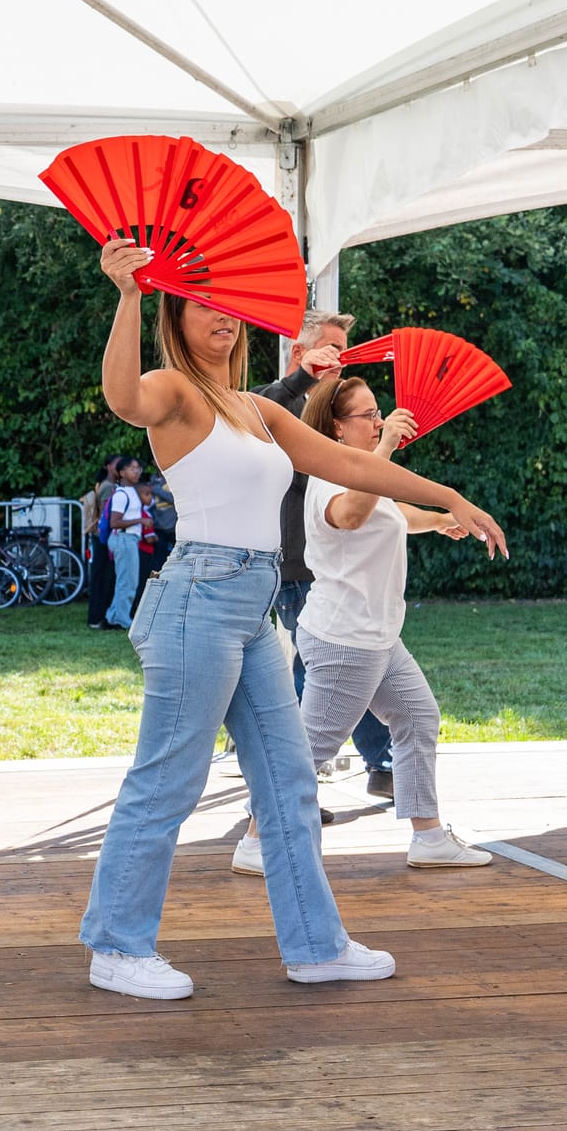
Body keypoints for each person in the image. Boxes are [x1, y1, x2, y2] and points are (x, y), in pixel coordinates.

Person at [78, 238, 506, 1001]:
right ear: (176, 312)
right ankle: (116, 944)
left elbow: (351, 465)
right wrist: (126, 294)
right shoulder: (174, 390)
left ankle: (316, 944)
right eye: (202, 302)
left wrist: (448, 497)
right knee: (167, 779)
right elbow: (121, 398)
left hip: (253, 605)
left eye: (228, 306)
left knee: (290, 782)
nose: (222, 317)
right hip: (197, 601)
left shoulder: (257, 410)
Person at [232, 377, 492, 874]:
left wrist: (437, 520)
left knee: (418, 718)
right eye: (368, 416)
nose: (378, 422)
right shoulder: (329, 477)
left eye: (379, 414)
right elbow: (352, 514)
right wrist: (389, 444)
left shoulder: (367, 475)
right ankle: (255, 838)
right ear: (336, 426)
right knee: (310, 748)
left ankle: (429, 836)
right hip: (345, 638)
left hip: (376, 634)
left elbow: (391, 510)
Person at [253, 309, 396, 802]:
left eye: (345, 350)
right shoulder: (283, 402)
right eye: (334, 350)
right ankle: (287, 794)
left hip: (333, 568)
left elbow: (367, 490)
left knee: (357, 668)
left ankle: (379, 764)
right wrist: (300, 378)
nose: (343, 360)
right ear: (301, 352)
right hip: (297, 567)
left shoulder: (336, 411)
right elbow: (255, 414)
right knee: (318, 677)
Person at [82, 456, 124, 629]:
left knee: (103, 578)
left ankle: (99, 617)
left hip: (101, 537)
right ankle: (97, 618)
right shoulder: (108, 487)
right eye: (117, 464)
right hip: (103, 538)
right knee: (102, 579)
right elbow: (107, 515)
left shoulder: (106, 485)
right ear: (108, 466)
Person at [102, 453, 144, 629]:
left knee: (126, 580)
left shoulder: (130, 491)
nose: (137, 472)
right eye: (132, 468)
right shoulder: (121, 495)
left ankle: (113, 616)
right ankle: (122, 619)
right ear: (122, 472)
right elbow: (114, 522)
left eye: (138, 468)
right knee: (128, 582)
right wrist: (140, 521)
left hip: (128, 539)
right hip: (124, 539)